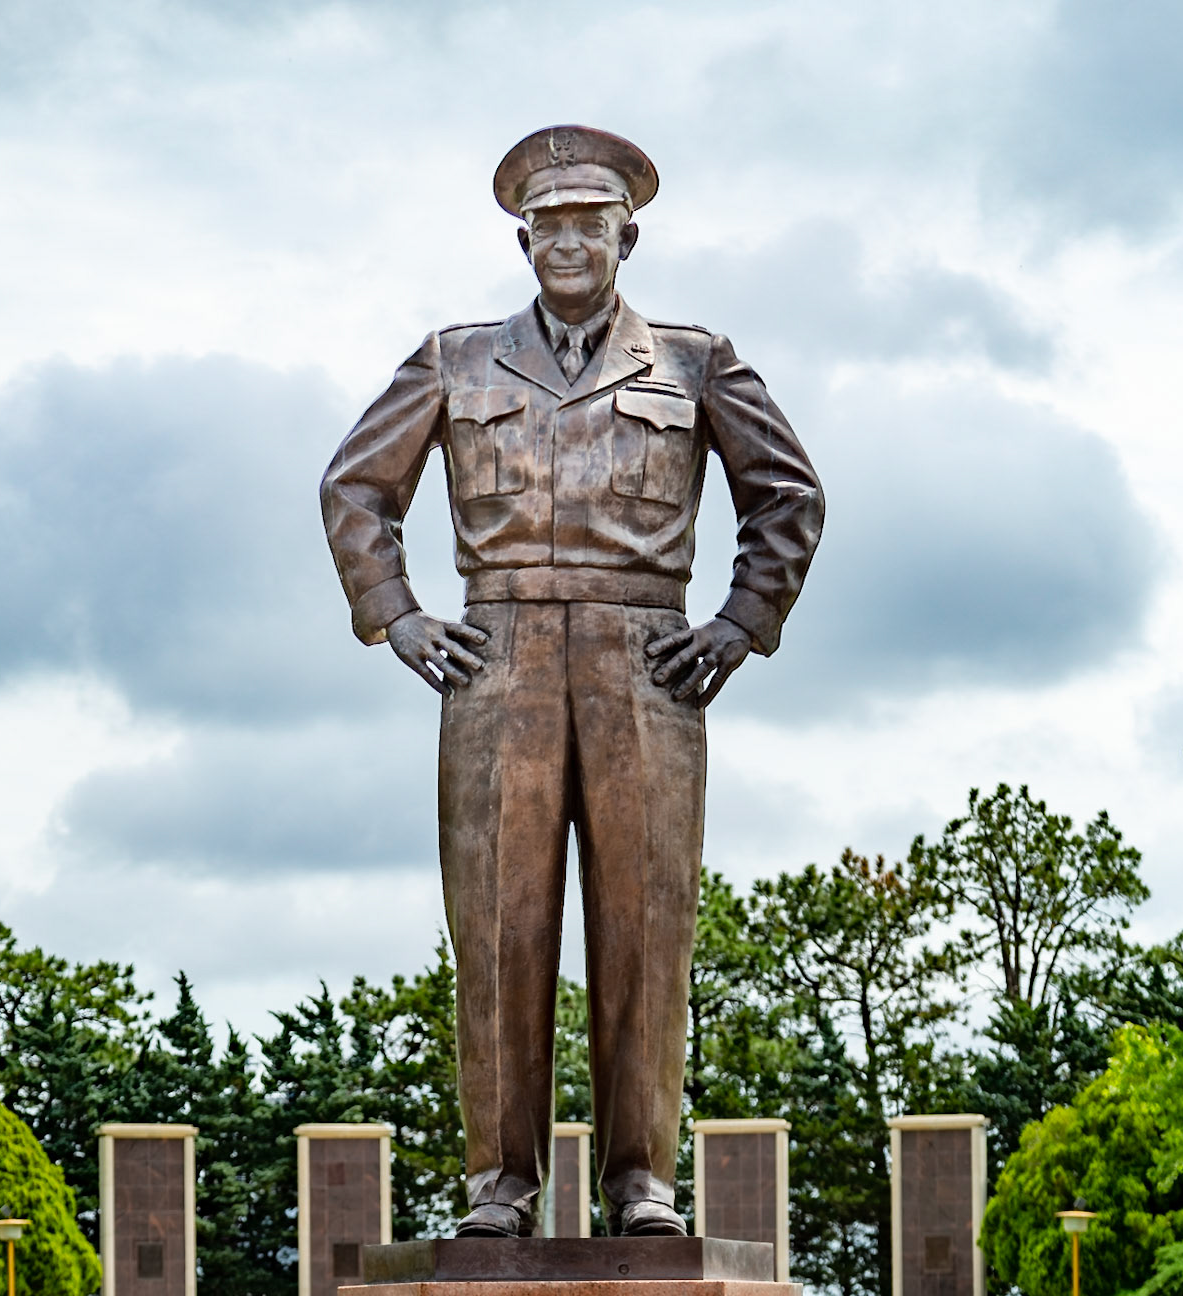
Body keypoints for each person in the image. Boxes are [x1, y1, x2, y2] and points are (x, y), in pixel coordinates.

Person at [322, 126, 823, 1237]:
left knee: (646, 925)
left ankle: (641, 1177)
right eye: (548, 227)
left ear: (625, 236)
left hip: (645, 660)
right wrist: (395, 614)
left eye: (588, 225)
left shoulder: (694, 362)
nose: (567, 244)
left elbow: (788, 496)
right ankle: (501, 1181)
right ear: (522, 237)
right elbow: (356, 488)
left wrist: (743, 620)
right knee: (500, 925)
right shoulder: (455, 360)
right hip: (497, 660)